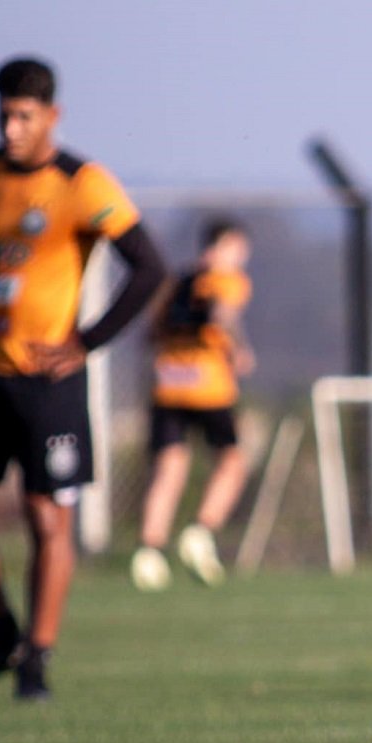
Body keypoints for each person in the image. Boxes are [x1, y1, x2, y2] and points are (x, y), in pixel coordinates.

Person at [0, 56, 166, 701]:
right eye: (3, 114)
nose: (10, 128)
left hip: (46, 382)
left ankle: (36, 657)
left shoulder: (82, 182)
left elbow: (148, 266)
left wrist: (85, 342)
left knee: (47, 519)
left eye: (23, 116)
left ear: (51, 115)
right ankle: (2, 633)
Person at [130, 218, 255, 592]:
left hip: (167, 385)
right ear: (218, 248)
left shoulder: (173, 284)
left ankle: (150, 551)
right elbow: (222, 313)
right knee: (232, 461)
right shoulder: (225, 279)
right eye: (236, 248)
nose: (240, 257)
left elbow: (150, 334)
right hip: (209, 387)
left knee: (169, 469)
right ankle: (202, 530)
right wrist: (237, 348)